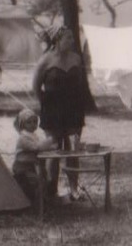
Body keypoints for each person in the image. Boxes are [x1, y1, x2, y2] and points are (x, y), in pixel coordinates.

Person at [31, 28, 95, 198]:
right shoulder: (45, 60)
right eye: (68, 38)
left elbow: (81, 81)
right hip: (52, 110)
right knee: (54, 150)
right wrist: (45, 102)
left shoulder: (76, 58)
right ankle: (51, 190)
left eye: (72, 38)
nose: (72, 41)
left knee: (73, 150)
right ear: (58, 40)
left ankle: (73, 189)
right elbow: (36, 87)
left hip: (73, 109)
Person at [10, 109, 52, 203]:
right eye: (29, 122)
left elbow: (40, 146)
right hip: (22, 167)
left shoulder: (33, 135)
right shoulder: (23, 138)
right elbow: (36, 147)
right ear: (22, 124)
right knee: (35, 182)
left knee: (43, 179)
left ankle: (41, 201)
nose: (33, 124)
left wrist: (49, 147)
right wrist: (49, 141)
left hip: (32, 165)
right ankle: (33, 202)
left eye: (35, 122)